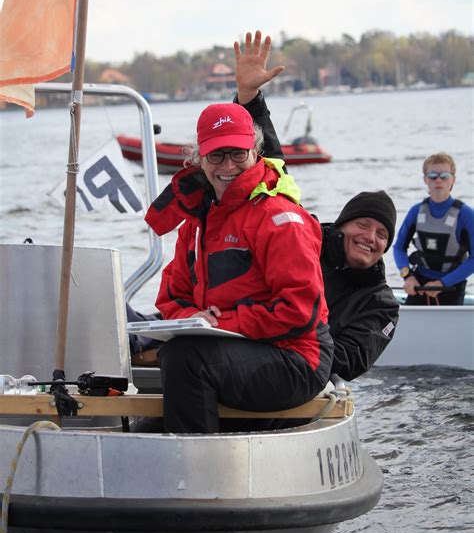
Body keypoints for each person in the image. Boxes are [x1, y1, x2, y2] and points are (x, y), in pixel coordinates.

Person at [143, 101, 334, 433]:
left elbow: (299, 310)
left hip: (298, 358)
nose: (227, 165)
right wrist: (190, 319)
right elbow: (171, 296)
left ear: (256, 153)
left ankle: (197, 472)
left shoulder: (279, 218)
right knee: (172, 352)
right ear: (199, 159)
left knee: (185, 357)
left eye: (238, 154)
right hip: (229, 350)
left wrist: (221, 324)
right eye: (216, 155)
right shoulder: (195, 222)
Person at [232, 30, 400, 381]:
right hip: (241, 347)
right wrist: (249, 97)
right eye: (363, 224)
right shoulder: (300, 235)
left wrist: (293, 326)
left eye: (383, 234)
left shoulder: (381, 303)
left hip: (301, 378)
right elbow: (271, 168)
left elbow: (351, 360)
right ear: (342, 224)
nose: (371, 236)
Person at [393, 152, 474, 305]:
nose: (438, 180)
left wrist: (442, 283)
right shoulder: (416, 212)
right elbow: (398, 248)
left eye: (444, 175)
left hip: (451, 286)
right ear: (425, 179)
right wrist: (408, 276)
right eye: (432, 175)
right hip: (419, 284)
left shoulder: (466, 214)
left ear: (453, 180)